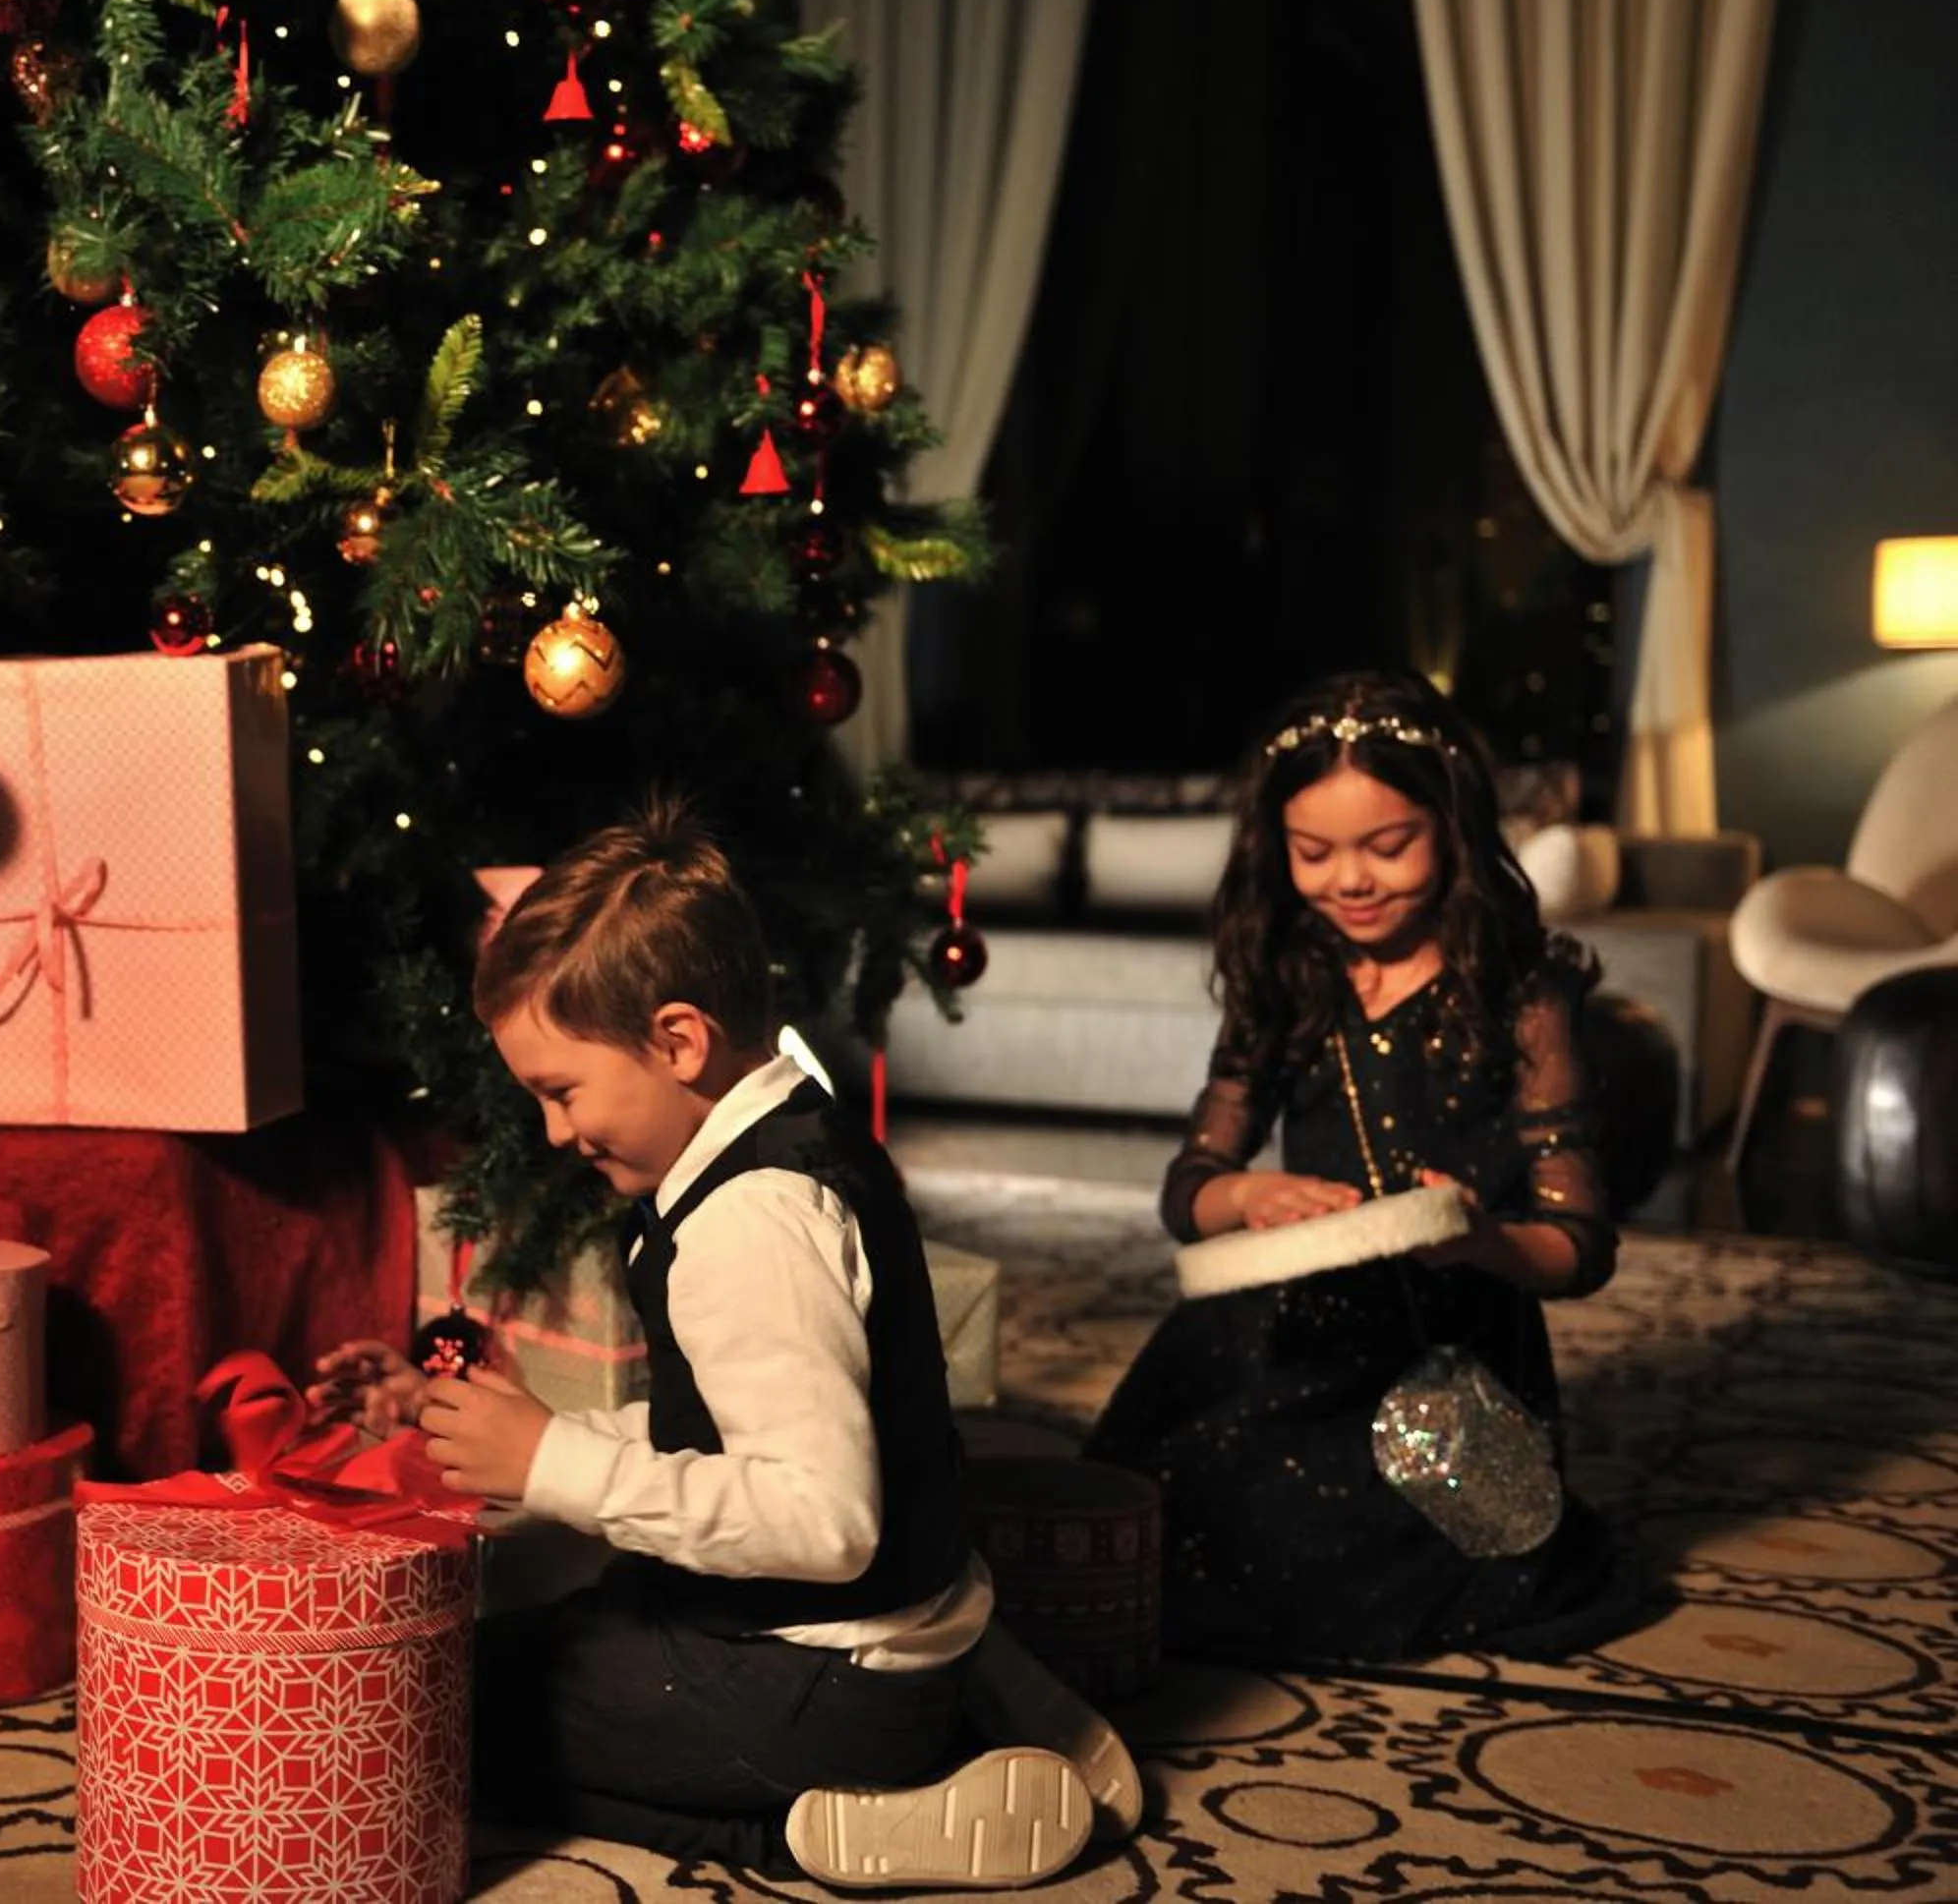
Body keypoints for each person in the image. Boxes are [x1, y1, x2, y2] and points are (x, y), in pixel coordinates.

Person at [314, 798, 1138, 1890]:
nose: (555, 1133)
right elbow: (730, 1426)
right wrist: (536, 1434)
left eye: (561, 1092)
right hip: (872, 1641)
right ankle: (965, 1691)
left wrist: (554, 1466)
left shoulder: (746, 1225)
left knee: (439, 1714)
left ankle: (847, 1815)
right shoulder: (800, 1134)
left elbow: (821, 1522)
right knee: (546, 1634)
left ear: (677, 1040)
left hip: (817, 1676)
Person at [1084, 670, 1652, 1663]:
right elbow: (1190, 1189)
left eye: (1389, 846)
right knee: (1168, 1492)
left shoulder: (1517, 993)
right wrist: (1250, 1195)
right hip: (1300, 1314)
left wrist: (1479, 1239)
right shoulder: (1288, 972)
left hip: (1446, 1345)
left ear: (1454, 826)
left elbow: (1579, 1246)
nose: (1351, 878)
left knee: (1358, 1543)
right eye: (1315, 851)